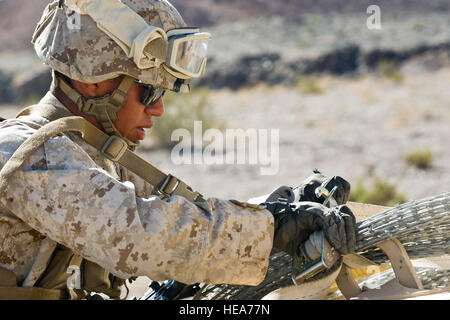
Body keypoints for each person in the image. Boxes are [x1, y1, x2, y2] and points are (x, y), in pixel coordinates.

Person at [0, 0, 356, 300]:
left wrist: (280, 209)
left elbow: (185, 216)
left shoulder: (99, 157)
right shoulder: (29, 154)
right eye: (150, 92)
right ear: (95, 82)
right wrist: (274, 229)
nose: (158, 110)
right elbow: (140, 232)